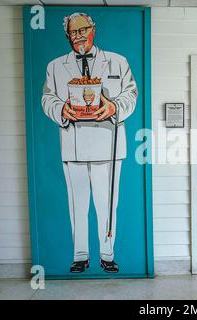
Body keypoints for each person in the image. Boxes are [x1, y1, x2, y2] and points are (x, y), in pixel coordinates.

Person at [42, 12, 138, 273]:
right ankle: (80, 255)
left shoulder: (117, 62)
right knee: (78, 204)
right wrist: (61, 110)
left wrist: (114, 107)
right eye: (73, 32)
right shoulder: (54, 66)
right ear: (67, 36)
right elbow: (47, 98)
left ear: (93, 30)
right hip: (73, 146)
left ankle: (107, 254)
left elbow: (131, 94)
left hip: (108, 145)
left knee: (107, 204)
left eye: (83, 30)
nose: (79, 36)